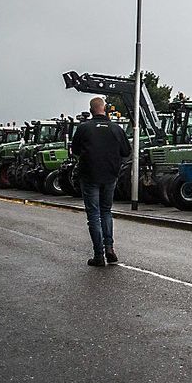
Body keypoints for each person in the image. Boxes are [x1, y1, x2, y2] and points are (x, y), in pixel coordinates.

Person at [70, 97, 131, 267]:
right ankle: (110, 247)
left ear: (91, 110)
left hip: (89, 176)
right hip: (110, 176)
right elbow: (126, 151)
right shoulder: (116, 129)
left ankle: (99, 255)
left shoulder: (83, 128)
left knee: (94, 215)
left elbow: (74, 150)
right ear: (105, 109)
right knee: (106, 211)